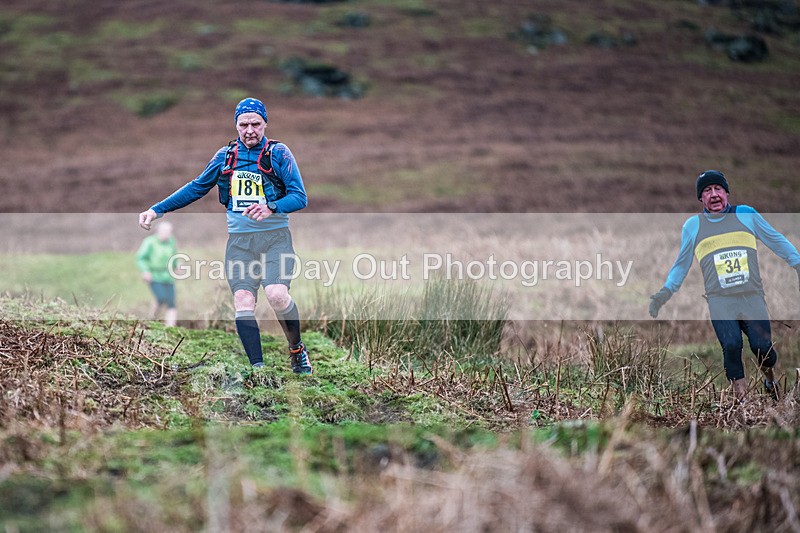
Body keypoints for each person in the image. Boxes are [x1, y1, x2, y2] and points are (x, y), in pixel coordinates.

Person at [138, 97, 312, 374]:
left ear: (265, 123)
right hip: (240, 244)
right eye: (244, 124)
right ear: (236, 125)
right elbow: (196, 188)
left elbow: (300, 197)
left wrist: (271, 206)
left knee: (277, 295)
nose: (250, 130)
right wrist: (157, 209)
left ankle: (297, 350)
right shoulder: (225, 156)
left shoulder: (279, 153)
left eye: (256, 124)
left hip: (275, 239)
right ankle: (258, 369)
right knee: (243, 301)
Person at [649, 170, 800, 401]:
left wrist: (797, 262)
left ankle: (770, 381)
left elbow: (776, 239)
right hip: (720, 300)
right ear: (701, 198)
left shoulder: (746, 215)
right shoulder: (693, 226)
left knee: (763, 349)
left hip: (751, 295)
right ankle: (740, 404)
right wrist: (664, 293)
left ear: (726, 192)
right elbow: (681, 265)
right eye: (707, 191)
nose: (714, 195)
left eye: (718, 189)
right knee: (731, 345)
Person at [136, 220, 179, 326]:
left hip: (168, 276)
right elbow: (141, 258)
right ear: (158, 231)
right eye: (165, 232)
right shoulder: (149, 242)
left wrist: (177, 265)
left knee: (171, 303)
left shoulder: (171, 241)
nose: (167, 234)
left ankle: (170, 328)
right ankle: (151, 320)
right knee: (161, 298)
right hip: (154, 276)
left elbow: (174, 255)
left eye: (169, 232)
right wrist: (145, 271)